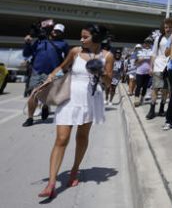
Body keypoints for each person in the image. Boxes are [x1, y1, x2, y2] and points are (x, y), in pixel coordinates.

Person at [38, 23, 114, 199]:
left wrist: (100, 73)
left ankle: (74, 170)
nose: (81, 39)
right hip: (69, 97)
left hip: (90, 99)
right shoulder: (75, 52)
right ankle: (51, 183)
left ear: (96, 38)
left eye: (85, 36)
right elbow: (62, 67)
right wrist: (50, 78)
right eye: (81, 36)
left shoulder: (107, 56)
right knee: (62, 138)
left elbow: (109, 83)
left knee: (82, 137)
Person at [22, 20, 70, 127]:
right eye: (55, 31)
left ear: (62, 33)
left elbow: (68, 59)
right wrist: (28, 43)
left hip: (52, 74)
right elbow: (26, 53)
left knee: (47, 95)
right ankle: (30, 118)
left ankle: (45, 106)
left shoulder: (64, 44)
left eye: (59, 32)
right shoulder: (40, 41)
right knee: (33, 94)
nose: (56, 33)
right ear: (51, 30)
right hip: (37, 72)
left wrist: (63, 71)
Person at [147, 24, 171, 120]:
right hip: (158, 65)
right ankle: (152, 109)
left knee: (165, 90)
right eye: (166, 27)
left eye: (169, 27)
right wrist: (151, 67)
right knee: (155, 88)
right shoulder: (159, 38)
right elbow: (154, 53)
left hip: (170, 66)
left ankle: (162, 108)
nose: (168, 29)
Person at [133, 38, 152, 106]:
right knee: (139, 86)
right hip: (140, 72)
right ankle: (136, 100)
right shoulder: (139, 51)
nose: (147, 44)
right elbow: (135, 63)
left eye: (149, 43)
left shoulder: (152, 51)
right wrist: (141, 59)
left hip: (148, 72)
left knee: (145, 87)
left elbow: (152, 62)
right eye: (146, 43)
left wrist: (151, 69)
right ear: (144, 43)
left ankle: (142, 99)